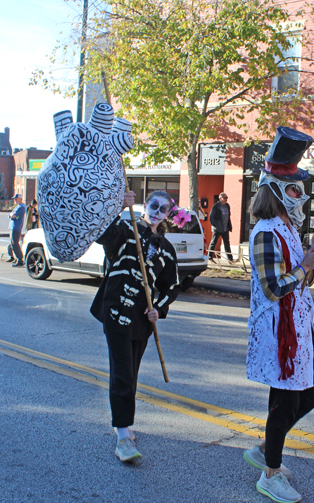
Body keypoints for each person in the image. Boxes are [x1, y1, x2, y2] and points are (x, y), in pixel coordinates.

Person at [243, 127, 314, 503]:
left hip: (299, 324)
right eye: (294, 188)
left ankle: (266, 448)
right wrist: (302, 267)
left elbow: (303, 280)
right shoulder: (265, 232)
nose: (300, 193)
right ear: (275, 189)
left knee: (310, 398)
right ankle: (271, 472)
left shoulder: (288, 228)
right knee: (285, 403)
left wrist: (312, 253)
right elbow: (272, 288)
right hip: (280, 332)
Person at [90, 190, 181, 463]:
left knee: (132, 371)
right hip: (116, 311)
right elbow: (102, 235)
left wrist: (158, 308)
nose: (156, 211)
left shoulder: (166, 248)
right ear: (145, 205)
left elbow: (172, 286)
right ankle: (123, 434)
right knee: (122, 373)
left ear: (167, 215)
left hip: (142, 320)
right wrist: (119, 207)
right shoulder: (126, 230)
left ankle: (124, 423)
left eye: (163, 209)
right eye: (153, 205)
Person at [208, 192, 234, 262]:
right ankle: (209, 257)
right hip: (217, 228)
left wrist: (229, 226)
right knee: (214, 242)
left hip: (225, 228)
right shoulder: (216, 206)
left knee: (227, 243)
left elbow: (228, 217)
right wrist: (216, 225)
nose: (226, 199)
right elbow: (211, 217)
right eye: (224, 198)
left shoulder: (227, 206)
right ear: (220, 198)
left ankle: (230, 259)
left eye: (227, 198)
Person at [8, 194, 26, 267]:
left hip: (16, 227)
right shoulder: (18, 206)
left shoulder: (21, 207)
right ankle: (18, 258)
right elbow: (11, 215)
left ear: (20, 198)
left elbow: (13, 216)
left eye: (15, 199)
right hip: (13, 227)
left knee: (15, 244)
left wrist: (11, 215)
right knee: (13, 244)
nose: (14, 200)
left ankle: (20, 260)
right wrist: (11, 215)